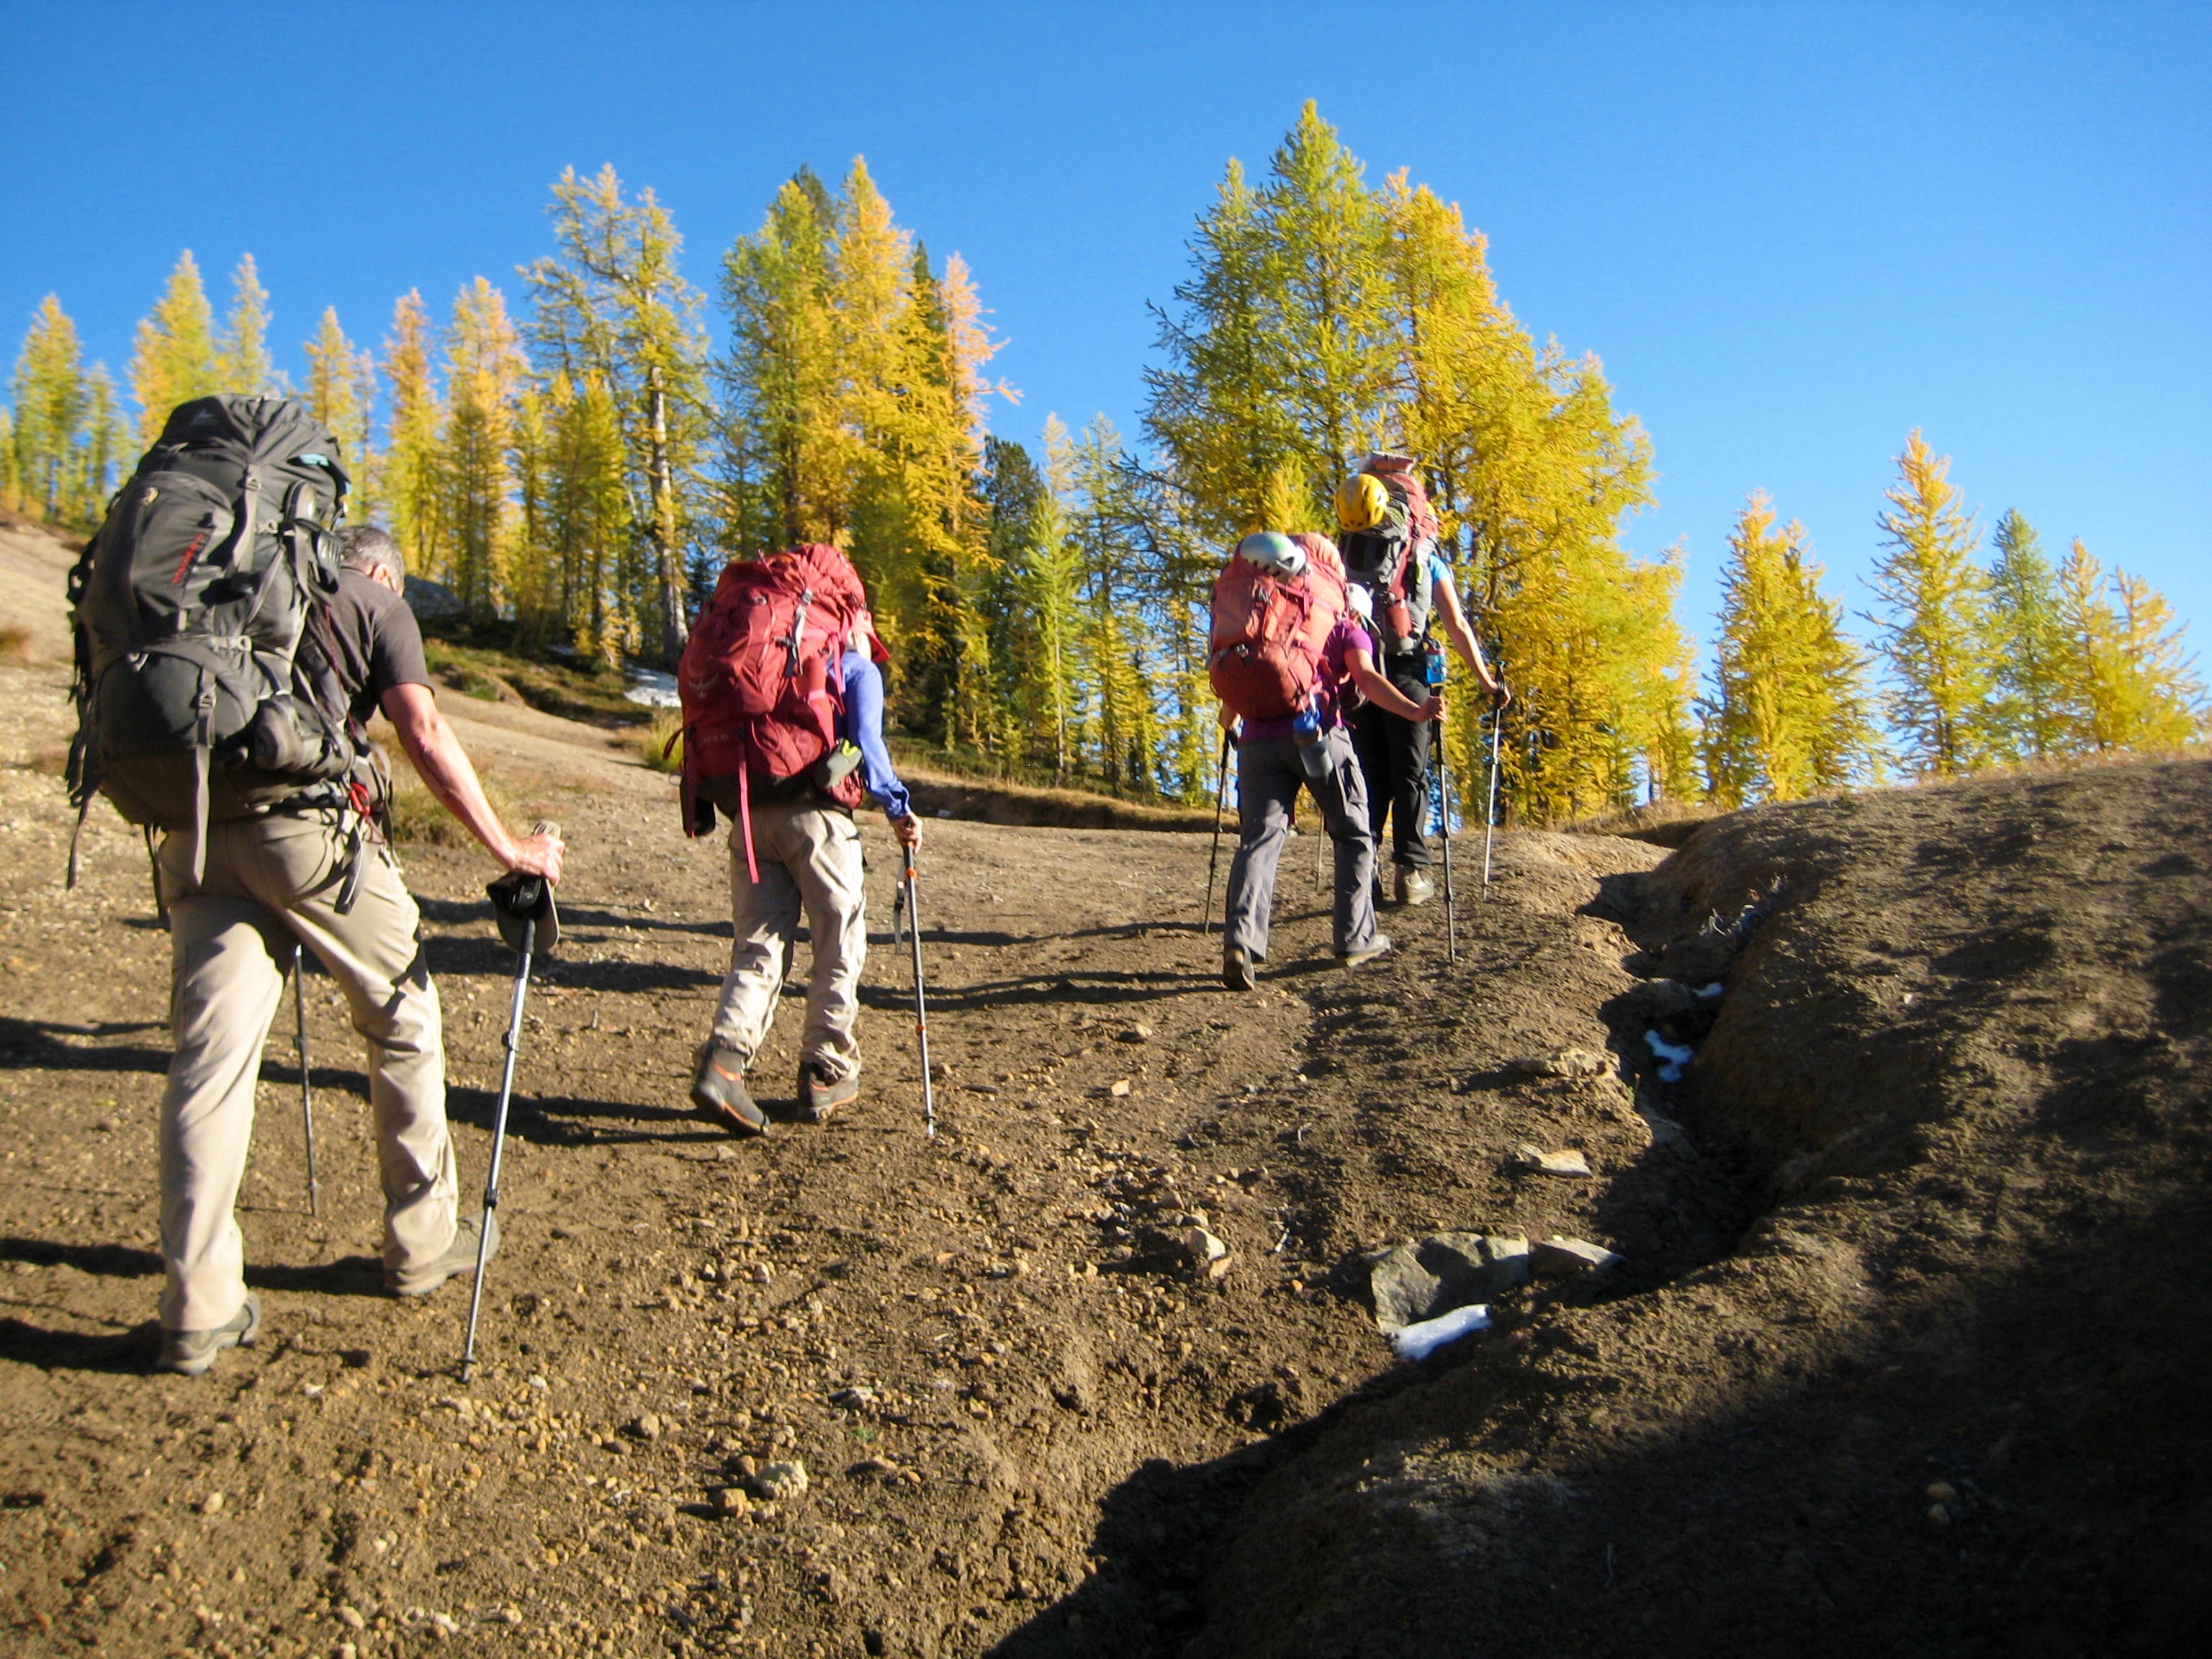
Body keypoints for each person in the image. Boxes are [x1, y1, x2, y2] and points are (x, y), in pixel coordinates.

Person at [152, 525, 564, 1375]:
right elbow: (423, 729)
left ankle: (196, 1303)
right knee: (404, 1017)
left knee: (211, 1060)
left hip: (194, 835)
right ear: (381, 570)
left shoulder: (231, 591)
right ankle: (422, 1240)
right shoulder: (376, 601)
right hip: (309, 836)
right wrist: (509, 849)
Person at [690, 601, 922, 1136]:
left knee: (757, 947)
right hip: (818, 823)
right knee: (838, 943)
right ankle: (824, 1070)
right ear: (851, 625)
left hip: (751, 819)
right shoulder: (853, 668)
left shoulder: (769, 667)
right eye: (869, 630)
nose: (872, 640)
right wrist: (899, 808)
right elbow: (865, 744)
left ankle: (724, 1061)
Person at [1222, 543, 1442, 989]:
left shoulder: (1266, 621)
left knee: (1259, 842)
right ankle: (1354, 937)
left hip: (1258, 741)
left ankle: (1241, 942)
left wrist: (1234, 729)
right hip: (1319, 737)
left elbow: (1229, 707)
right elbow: (1365, 679)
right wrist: (1415, 711)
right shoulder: (1345, 627)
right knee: (1354, 831)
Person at [1336, 459, 1509, 907]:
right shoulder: (1426, 556)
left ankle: (1364, 864)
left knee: (1367, 773)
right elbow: (1456, 625)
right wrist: (1488, 682)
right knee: (1411, 772)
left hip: (1357, 671)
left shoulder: (1346, 550)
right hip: (1409, 668)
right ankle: (1411, 870)